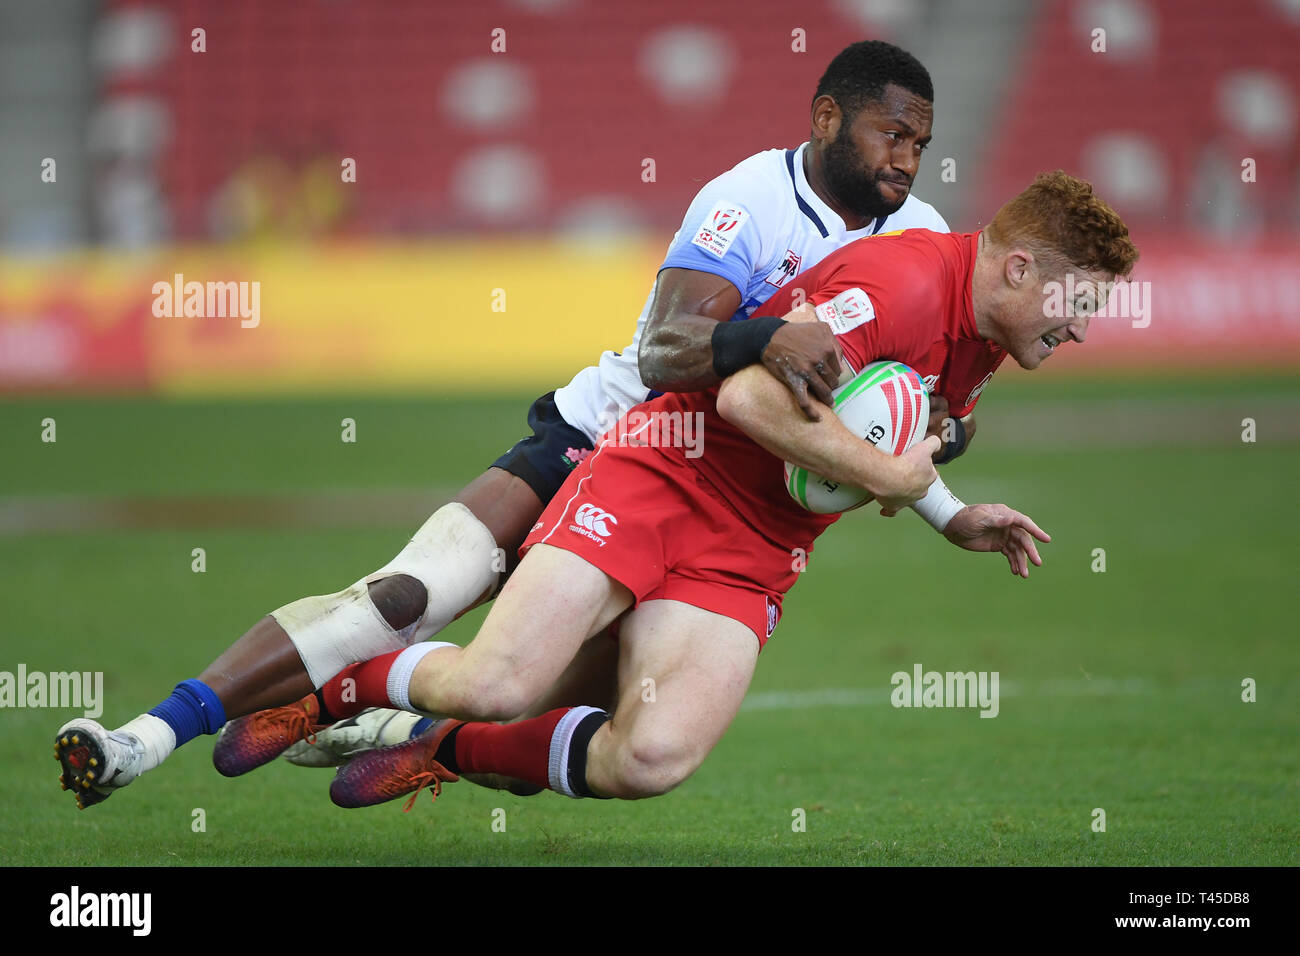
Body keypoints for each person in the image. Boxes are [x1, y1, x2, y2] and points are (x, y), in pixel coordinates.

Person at [54, 40, 959, 808]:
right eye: (892, 134)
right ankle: (142, 738)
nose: (907, 161)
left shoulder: (920, 235)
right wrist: (770, 335)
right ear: (828, 118)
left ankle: (404, 730)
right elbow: (667, 350)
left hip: (714, 505)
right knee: (410, 594)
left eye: (920, 142)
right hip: (603, 439)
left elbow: (922, 406)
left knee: (564, 716)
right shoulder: (751, 200)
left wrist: (938, 477)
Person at [292, 171, 1141, 810]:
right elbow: (749, 396)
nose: (1084, 329)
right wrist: (893, 476)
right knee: (499, 684)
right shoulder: (906, 285)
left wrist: (950, 514)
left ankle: (440, 750)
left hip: (756, 546)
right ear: (1021, 269)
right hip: (667, 474)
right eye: (1081, 304)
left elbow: (884, 431)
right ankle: (334, 692)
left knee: (649, 759)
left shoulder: (987, 337)